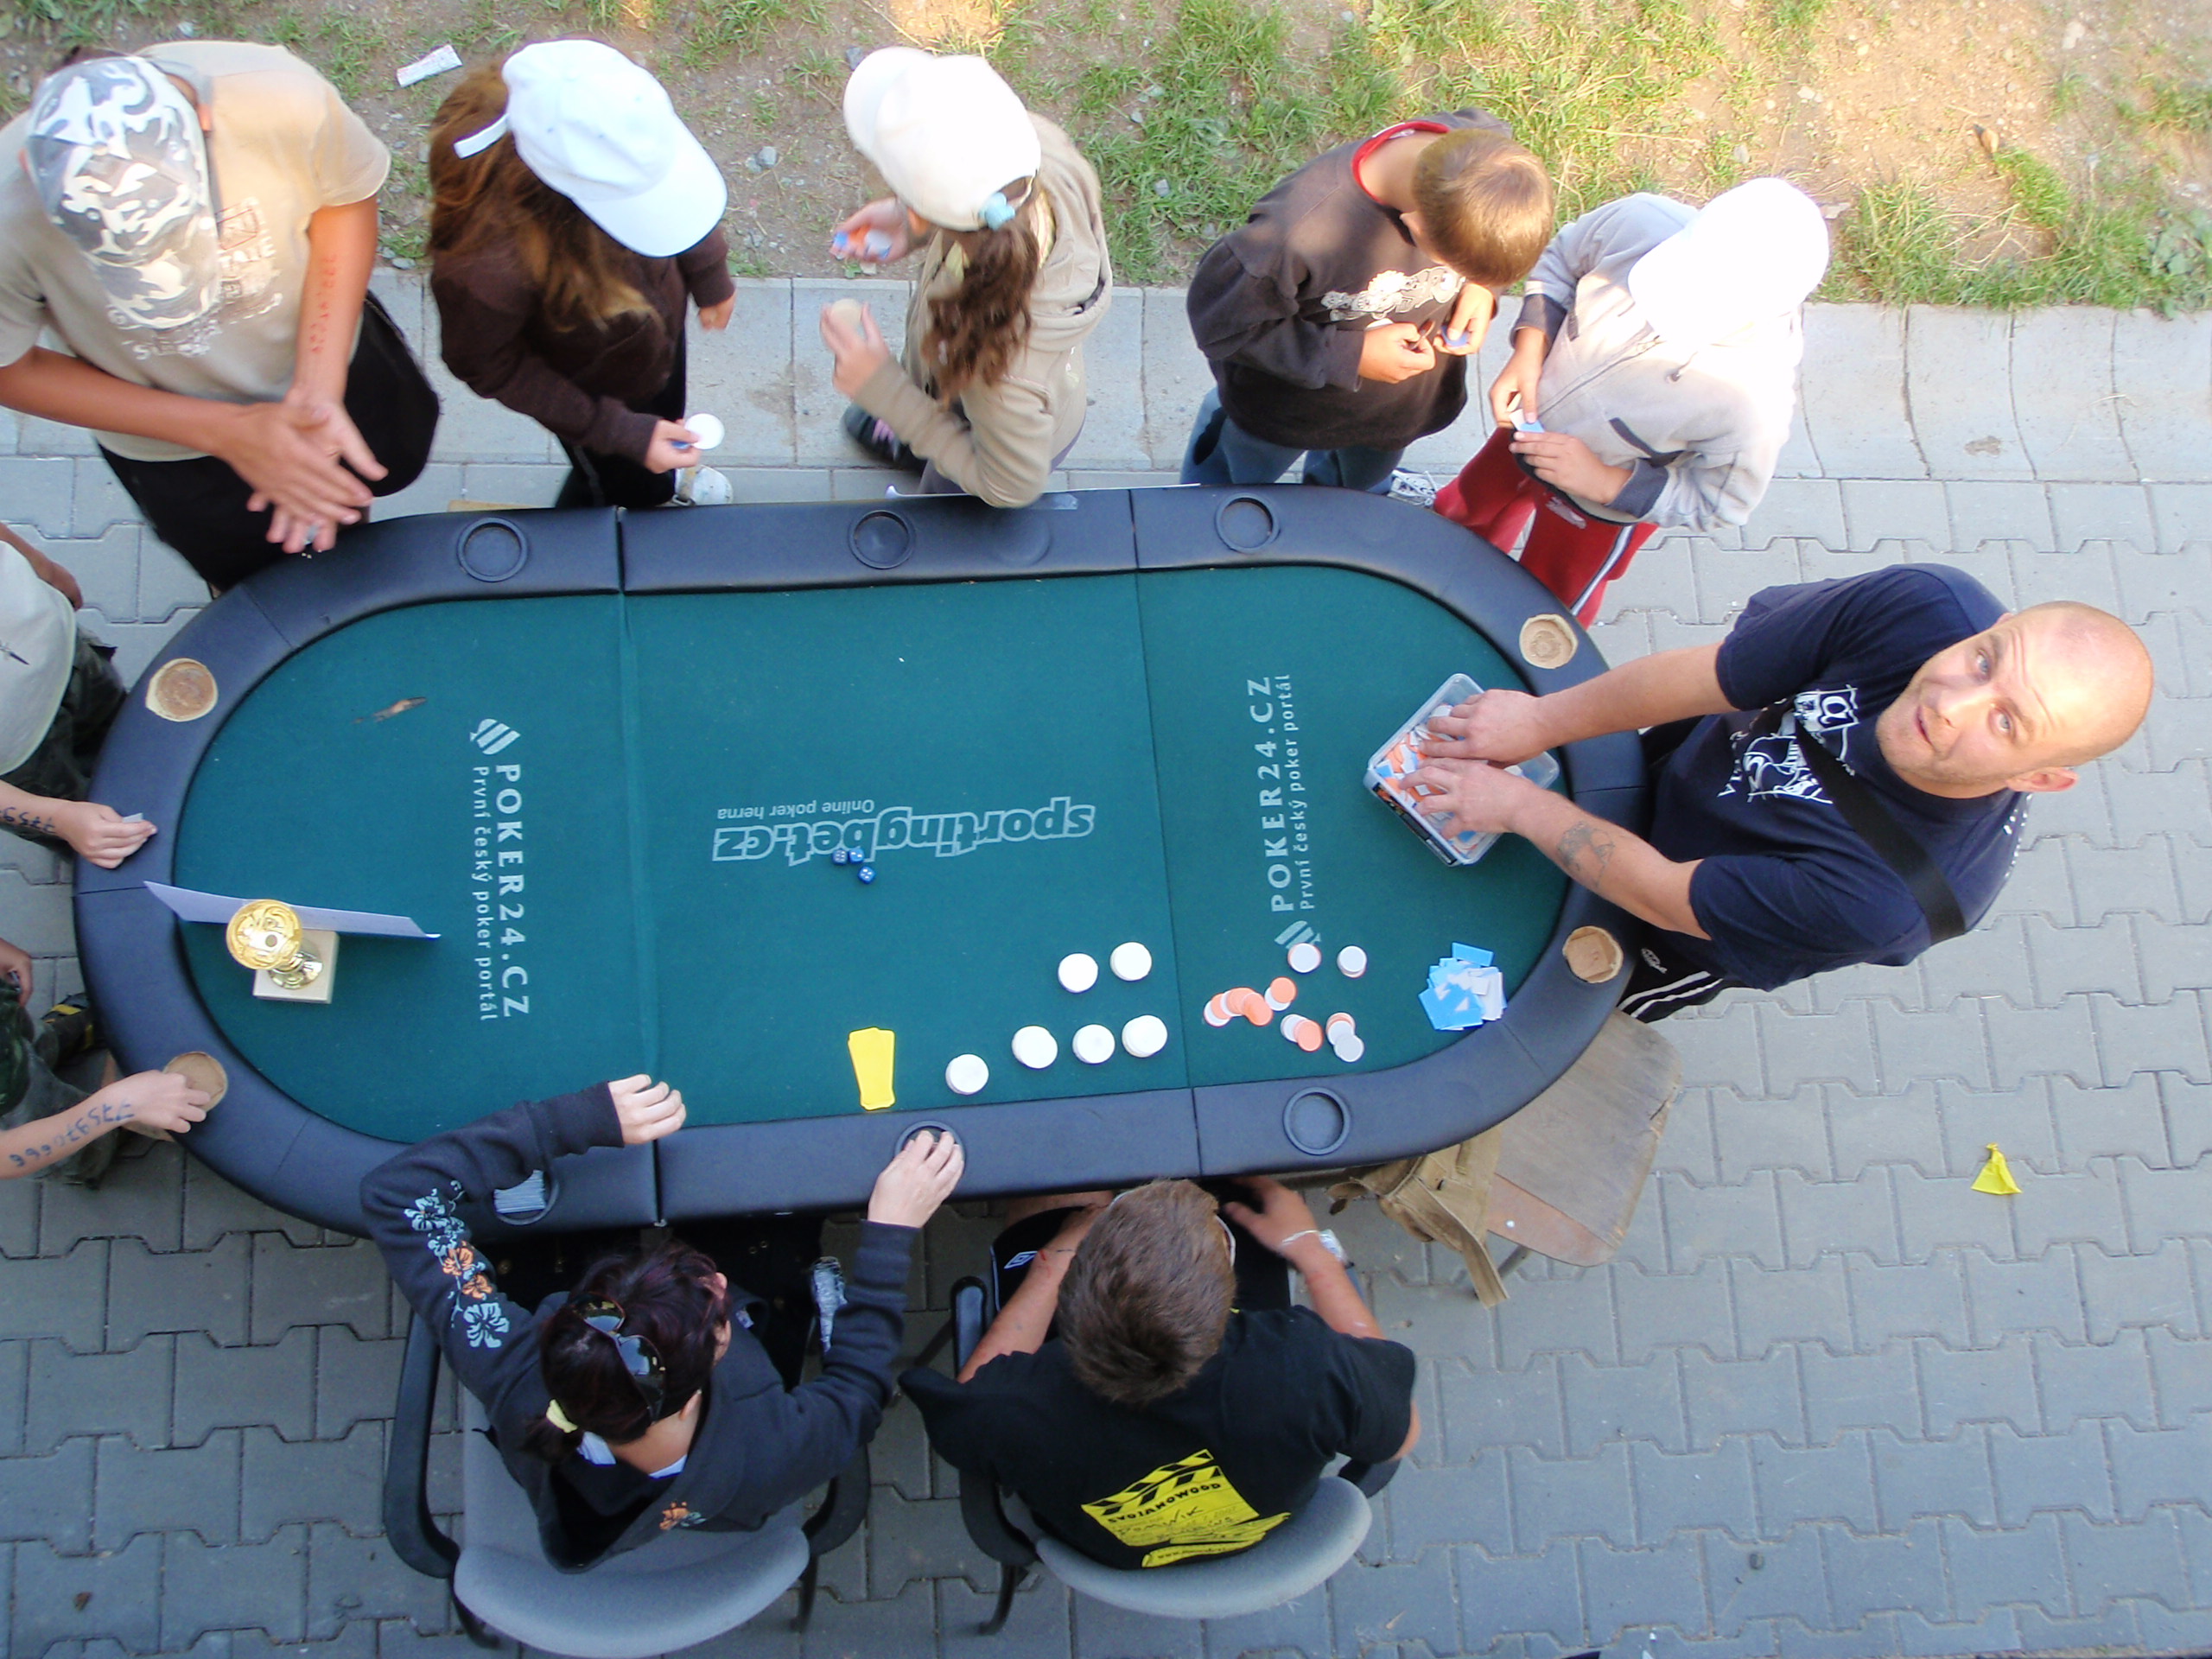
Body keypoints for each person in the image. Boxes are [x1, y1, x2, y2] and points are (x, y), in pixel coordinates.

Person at [1401, 566, 2154, 1018]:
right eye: (1986, 662)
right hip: (1685, 766)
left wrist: (1518, 806)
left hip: (1670, 932)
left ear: (2039, 778)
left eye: (2007, 721)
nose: (1951, 703)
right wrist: (1541, 720)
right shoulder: (1924, 608)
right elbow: (1711, 676)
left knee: (1570, 1004)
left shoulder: (1889, 900)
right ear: (1998, 623)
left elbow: (1664, 897)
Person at [362, 1075, 963, 1568]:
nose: (720, 1282)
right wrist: (891, 1232)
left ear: (568, 1324)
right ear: (704, 1379)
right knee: (768, 1230)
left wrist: (573, 1122)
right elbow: (858, 1394)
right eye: (718, 1310)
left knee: (568, 1221)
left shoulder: (510, 1366)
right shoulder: (772, 1453)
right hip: (727, 1479)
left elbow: (397, 1195)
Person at [0, 46, 439, 590]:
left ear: (204, 119)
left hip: (333, 358)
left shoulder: (280, 99)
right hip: (171, 441)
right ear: (29, 169)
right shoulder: (5, 209)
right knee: (242, 568)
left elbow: (345, 200)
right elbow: (10, 369)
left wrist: (319, 385)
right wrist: (227, 432)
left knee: (377, 472)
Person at [903, 1178, 1417, 1572]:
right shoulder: (1305, 1367)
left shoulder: (1017, 1404)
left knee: (1059, 1193)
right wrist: (1313, 1254)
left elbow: (972, 1395)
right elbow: (1403, 1436)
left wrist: (1053, 1262)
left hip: (1108, 1551)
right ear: (1227, 1303)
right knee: (1240, 1185)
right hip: (1256, 1536)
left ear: (1078, 1301)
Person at [1433, 179, 1829, 623]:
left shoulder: (1754, 404)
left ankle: (1517, 651)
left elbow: (1722, 502)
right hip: (1523, 427)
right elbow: (1562, 258)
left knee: (1553, 595)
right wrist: (1530, 348)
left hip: (1596, 512)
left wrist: (1605, 482)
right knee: (1465, 511)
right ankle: (1435, 578)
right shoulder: (1639, 221)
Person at [429, 41, 735, 512]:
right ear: (564, 203)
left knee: (661, 419)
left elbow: (663, 180)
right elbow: (487, 364)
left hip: (651, 345)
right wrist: (619, 432)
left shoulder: (604, 106)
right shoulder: (486, 271)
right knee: (618, 485)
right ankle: (620, 509)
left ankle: (655, 479)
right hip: (591, 391)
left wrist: (708, 268)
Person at [1179, 111, 1552, 497]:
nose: (1461, 277)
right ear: (1416, 225)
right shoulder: (1292, 235)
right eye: (1457, 268)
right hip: (1280, 417)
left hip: (1391, 419)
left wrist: (1483, 287)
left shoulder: (1489, 157)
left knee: (1351, 495)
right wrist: (1351, 355)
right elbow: (1224, 327)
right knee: (1227, 494)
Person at [818, 48, 1110, 510]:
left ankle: (915, 432)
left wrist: (886, 392)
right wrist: (913, 224)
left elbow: (1008, 486)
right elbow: (989, 211)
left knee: (942, 497)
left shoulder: (1005, 377)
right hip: (966, 390)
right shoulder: (1037, 156)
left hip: (994, 444)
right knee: (929, 420)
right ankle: (913, 432)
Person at [0, 523, 155, 866]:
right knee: (105, 831)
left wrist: (44, 567)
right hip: (22, 758)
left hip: (67, 651)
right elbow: (64, 817)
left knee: (126, 730)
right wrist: (59, 819)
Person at [0, 931, 210, 1182]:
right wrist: (116, 1107)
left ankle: (60, 1039)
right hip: (12, 1109)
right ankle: (99, 1148)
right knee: (75, 1146)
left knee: (29, 1037)